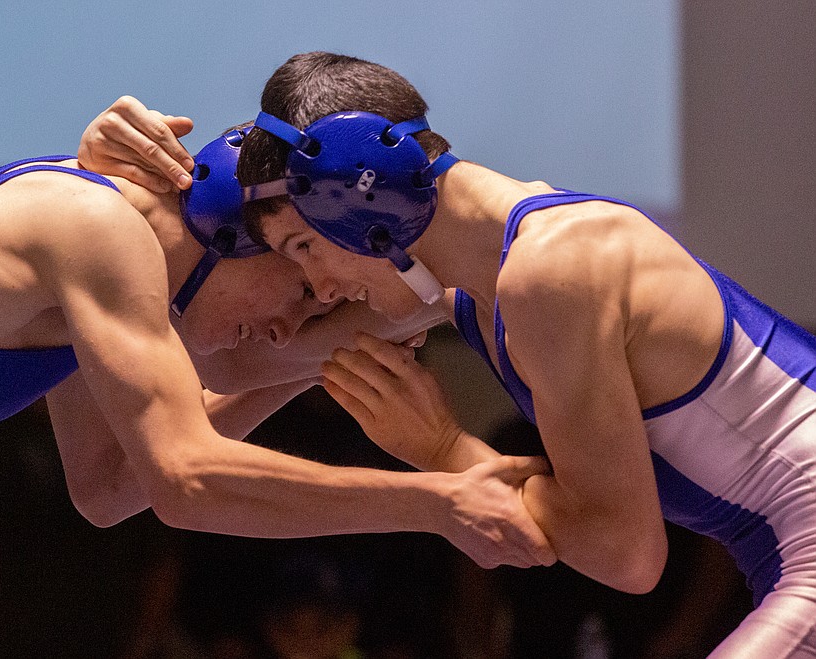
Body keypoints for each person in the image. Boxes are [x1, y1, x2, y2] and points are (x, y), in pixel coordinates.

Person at [0, 106, 555, 656]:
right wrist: (436, 500)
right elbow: (186, 476)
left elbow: (111, 487)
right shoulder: (98, 229)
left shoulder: (98, 248)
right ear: (233, 227)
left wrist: (423, 299)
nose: (293, 319)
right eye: (306, 280)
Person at [91, 52, 816, 656]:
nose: (313, 286)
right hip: (780, 550)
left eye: (305, 248)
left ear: (365, 203)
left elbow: (626, 553)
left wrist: (445, 450)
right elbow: (225, 370)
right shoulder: (465, 291)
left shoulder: (548, 275)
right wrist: (114, 191)